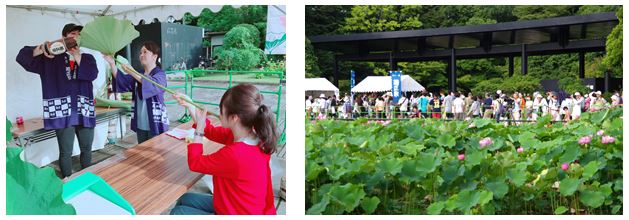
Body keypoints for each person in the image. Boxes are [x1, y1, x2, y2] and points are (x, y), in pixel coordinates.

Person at [171, 84, 277, 215]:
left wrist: (198, 131)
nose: (219, 114)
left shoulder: (235, 154)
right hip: (240, 206)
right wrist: (190, 104)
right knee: (185, 199)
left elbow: (195, 162)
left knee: (178, 212)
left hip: (238, 213)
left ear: (234, 118)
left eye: (221, 110)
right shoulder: (252, 137)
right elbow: (210, 131)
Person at [16, 23, 98, 178]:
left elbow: (92, 74)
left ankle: (88, 178)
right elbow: (22, 58)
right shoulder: (50, 58)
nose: (76, 37)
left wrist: (77, 56)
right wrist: (43, 48)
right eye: (72, 33)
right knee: (65, 152)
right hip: (62, 112)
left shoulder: (87, 58)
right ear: (63, 36)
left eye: (79, 34)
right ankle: (67, 181)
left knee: (87, 148)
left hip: (84, 111)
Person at [104, 41, 168, 143]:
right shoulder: (139, 74)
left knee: (155, 154)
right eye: (140, 53)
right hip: (140, 123)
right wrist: (112, 63)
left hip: (155, 122)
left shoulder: (160, 74)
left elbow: (153, 84)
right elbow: (123, 81)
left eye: (145, 52)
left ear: (154, 56)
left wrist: (131, 72)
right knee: (142, 152)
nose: (141, 55)